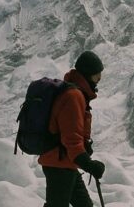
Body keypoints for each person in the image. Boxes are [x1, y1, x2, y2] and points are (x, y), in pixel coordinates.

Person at [39, 51, 106, 207]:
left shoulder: (75, 93)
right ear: (87, 74)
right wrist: (89, 164)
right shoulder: (73, 96)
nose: (99, 78)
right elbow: (71, 139)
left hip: (65, 162)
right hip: (59, 163)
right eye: (96, 75)